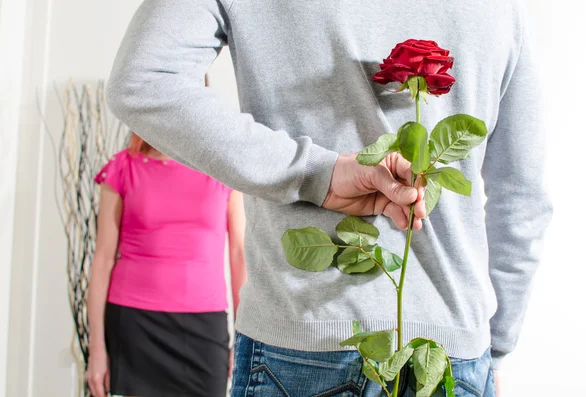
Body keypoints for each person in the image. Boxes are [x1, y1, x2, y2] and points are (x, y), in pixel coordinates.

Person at [105, 1, 552, 396]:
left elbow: (144, 80)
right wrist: (492, 348)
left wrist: (321, 174)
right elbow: (523, 198)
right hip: (453, 353)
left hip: (301, 340)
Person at [85, 132, 247, 397]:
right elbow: (102, 259)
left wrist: (243, 340)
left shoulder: (222, 170)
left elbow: (239, 254)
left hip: (204, 328)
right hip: (134, 326)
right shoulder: (124, 166)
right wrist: (97, 350)